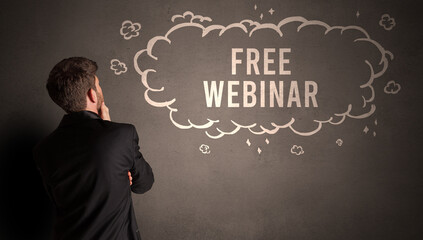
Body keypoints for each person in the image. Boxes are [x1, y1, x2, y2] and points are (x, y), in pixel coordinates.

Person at [32, 57, 154, 240]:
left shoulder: (43, 149)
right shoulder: (121, 135)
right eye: (99, 85)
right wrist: (108, 126)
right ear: (92, 94)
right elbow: (143, 183)